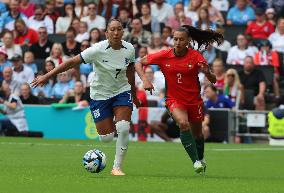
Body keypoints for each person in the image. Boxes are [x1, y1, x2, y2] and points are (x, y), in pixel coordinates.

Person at [31, 19, 140, 176]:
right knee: (107, 138)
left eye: (119, 29)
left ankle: (117, 167)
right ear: (106, 32)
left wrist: (133, 94)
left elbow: (130, 71)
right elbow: (71, 62)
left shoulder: (129, 49)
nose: (116, 33)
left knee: (123, 128)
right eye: (112, 30)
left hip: (121, 92)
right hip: (99, 95)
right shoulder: (96, 49)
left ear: (123, 32)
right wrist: (47, 76)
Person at [135, 24, 223, 174]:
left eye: (181, 39)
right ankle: (195, 161)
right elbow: (138, 63)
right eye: (175, 39)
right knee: (183, 123)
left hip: (194, 101)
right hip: (174, 100)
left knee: (198, 134)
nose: (177, 42)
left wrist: (208, 73)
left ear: (188, 40)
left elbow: (214, 80)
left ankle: (200, 158)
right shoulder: (164, 55)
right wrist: (145, 80)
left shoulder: (196, 56)